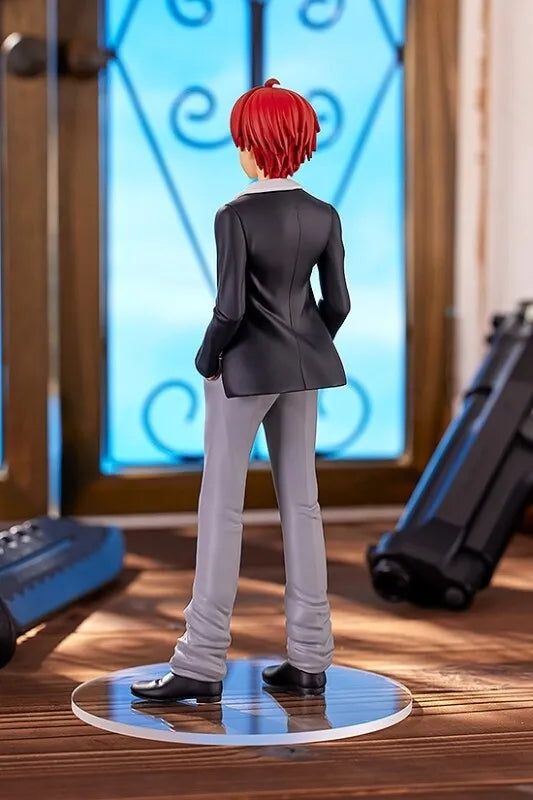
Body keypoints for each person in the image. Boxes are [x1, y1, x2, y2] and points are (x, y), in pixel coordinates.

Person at [131, 78, 351, 704]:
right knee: (303, 506)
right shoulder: (323, 214)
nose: (239, 150)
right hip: (304, 369)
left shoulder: (234, 215)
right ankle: (310, 657)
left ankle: (201, 660)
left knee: (221, 506)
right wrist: (308, 342)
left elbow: (229, 309)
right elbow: (337, 302)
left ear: (255, 143)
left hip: (244, 371)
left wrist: (207, 360)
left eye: (241, 139)